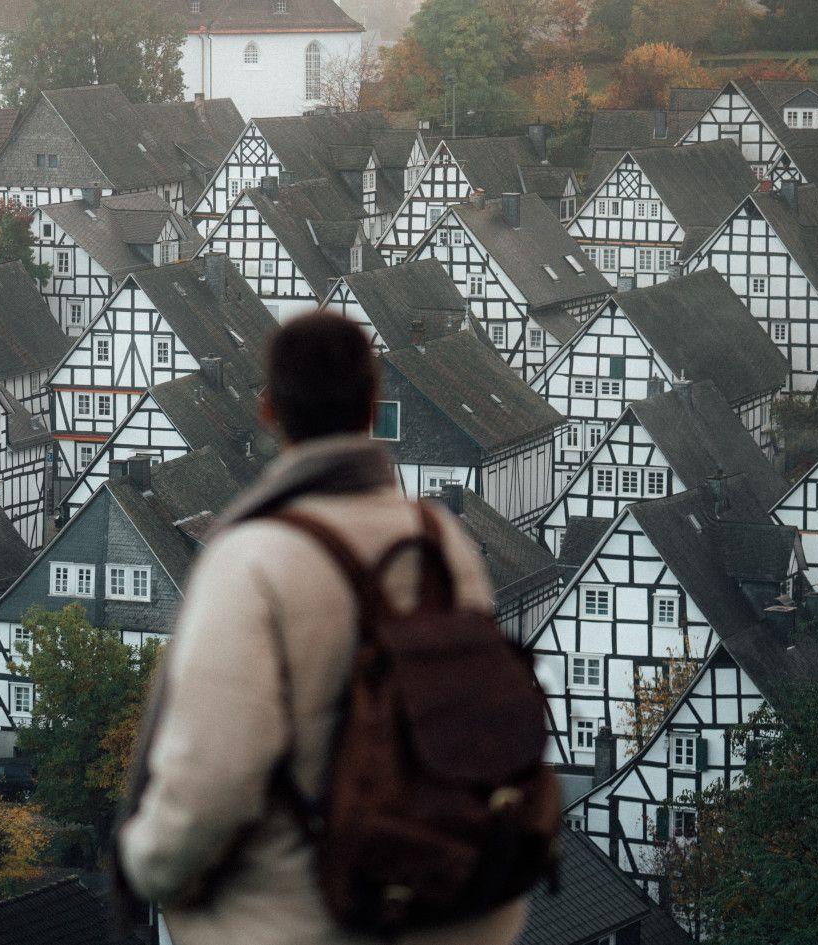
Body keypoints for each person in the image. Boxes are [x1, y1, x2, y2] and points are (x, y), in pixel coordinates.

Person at [115, 311, 528, 945]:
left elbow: (214, 776)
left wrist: (143, 864)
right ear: (374, 404)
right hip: (447, 905)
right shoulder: (441, 540)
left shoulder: (252, 558)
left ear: (269, 411)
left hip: (310, 917)